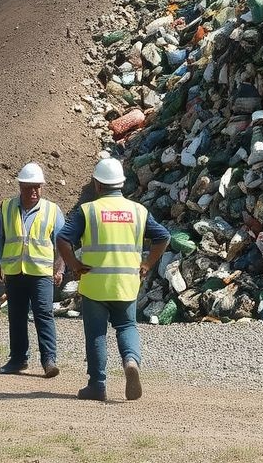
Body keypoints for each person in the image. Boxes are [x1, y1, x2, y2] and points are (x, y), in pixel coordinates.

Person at [57, 157, 169, 402]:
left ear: (97, 185)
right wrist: (147, 263)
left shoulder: (88, 211)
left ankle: (97, 385)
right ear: (122, 184)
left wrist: (74, 265)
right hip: (126, 284)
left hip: (95, 284)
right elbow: (163, 236)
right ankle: (131, 361)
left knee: (96, 334)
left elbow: (63, 238)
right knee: (126, 326)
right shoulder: (138, 211)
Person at [0, 162, 65, 378]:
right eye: (28, 187)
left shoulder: (52, 210)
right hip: (15, 272)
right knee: (17, 315)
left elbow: (62, 243)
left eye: (37, 187)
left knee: (44, 314)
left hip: (41, 273)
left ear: (42, 187)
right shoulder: (7, 208)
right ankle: (18, 359)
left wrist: (59, 268)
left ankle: (49, 361)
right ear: (20, 186)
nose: (33, 192)